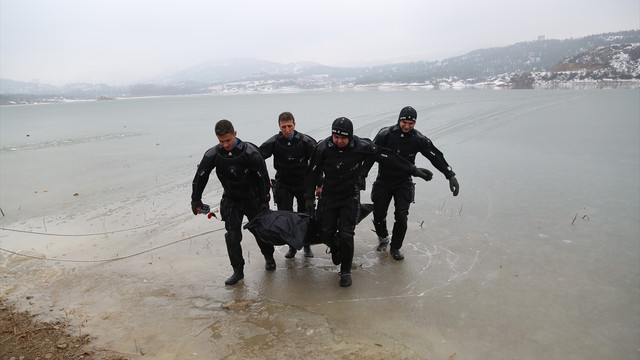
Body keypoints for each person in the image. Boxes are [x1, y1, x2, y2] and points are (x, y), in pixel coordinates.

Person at [305, 117, 433, 287]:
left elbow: (387, 156)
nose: (339, 141)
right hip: (329, 196)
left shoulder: (361, 146)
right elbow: (311, 173)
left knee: (346, 234)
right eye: (336, 137)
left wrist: (413, 169)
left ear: (350, 136)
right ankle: (335, 248)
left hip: (349, 196)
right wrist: (308, 198)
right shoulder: (322, 148)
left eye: (343, 138)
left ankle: (345, 271)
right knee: (325, 233)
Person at [362, 106, 460, 261]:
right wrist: (362, 175)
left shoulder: (417, 138)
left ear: (415, 123)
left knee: (401, 216)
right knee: (379, 213)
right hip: (384, 181)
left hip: (404, 182)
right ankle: (383, 239)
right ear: (399, 119)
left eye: (411, 123)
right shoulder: (385, 135)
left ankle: (395, 247)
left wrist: (450, 174)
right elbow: (371, 155)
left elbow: (434, 155)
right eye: (404, 122)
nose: (407, 126)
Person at [191, 119, 275, 286]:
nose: (225, 144)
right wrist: (196, 199)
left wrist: (265, 199)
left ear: (235, 134)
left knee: (260, 232)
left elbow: (263, 177)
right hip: (231, 199)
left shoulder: (250, 153)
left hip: (252, 199)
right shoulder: (213, 154)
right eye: (221, 141)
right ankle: (238, 271)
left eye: (228, 140)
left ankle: (269, 257)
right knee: (232, 236)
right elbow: (201, 176)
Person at [260, 112, 317, 259]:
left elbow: (319, 163)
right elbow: (257, 157)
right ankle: (292, 247)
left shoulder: (306, 141)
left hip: (302, 183)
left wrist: (319, 185)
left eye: (289, 126)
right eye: (283, 126)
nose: (287, 130)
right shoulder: (273, 142)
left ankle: (306, 245)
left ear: (295, 125)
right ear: (279, 125)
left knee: (305, 215)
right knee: (286, 216)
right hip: (284, 183)